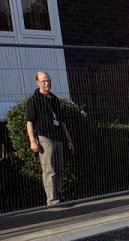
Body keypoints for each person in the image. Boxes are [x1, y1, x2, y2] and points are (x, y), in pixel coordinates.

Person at [26, 71, 74, 206]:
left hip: (58, 136)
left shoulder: (54, 99)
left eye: (48, 80)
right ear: (38, 82)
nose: (47, 83)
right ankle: (52, 200)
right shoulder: (33, 100)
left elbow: (61, 121)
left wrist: (69, 139)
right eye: (43, 81)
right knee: (49, 169)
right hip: (45, 137)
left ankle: (60, 195)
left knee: (60, 168)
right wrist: (33, 141)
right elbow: (29, 122)